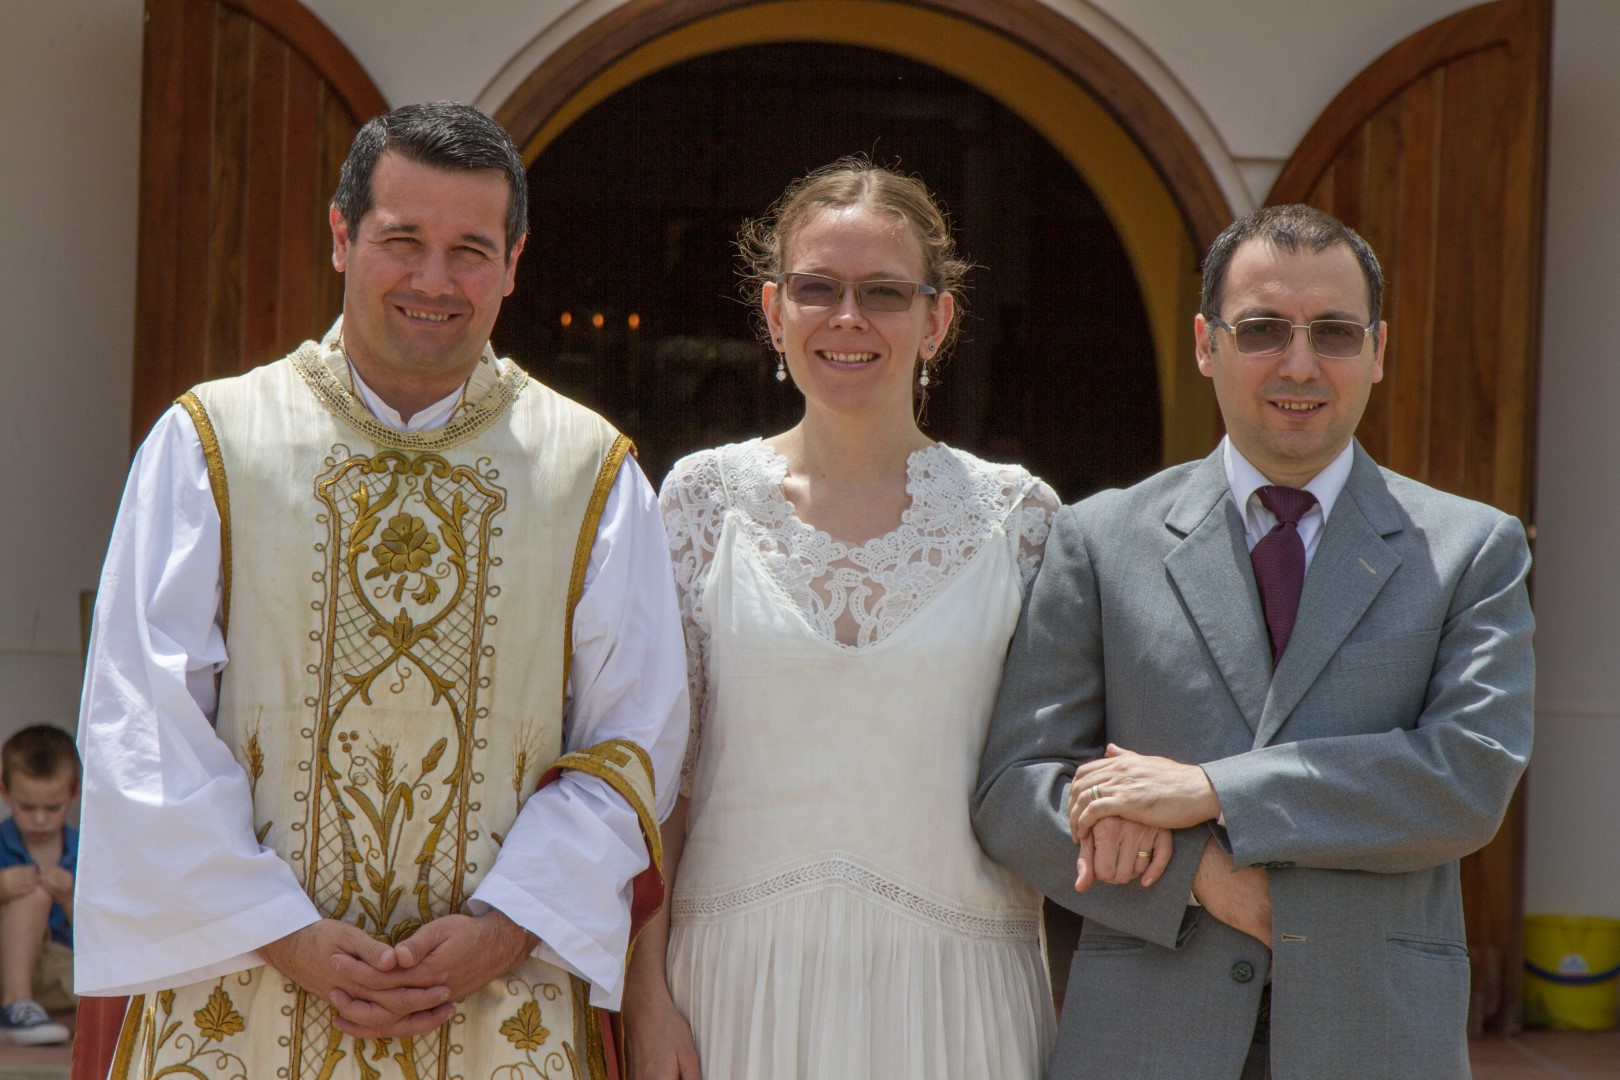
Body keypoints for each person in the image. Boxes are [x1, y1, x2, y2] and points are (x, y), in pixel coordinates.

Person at [73, 102, 688, 1080]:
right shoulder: (211, 444)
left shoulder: (594, 475)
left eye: (470, 250)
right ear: (340, 236)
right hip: (244, 993)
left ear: (515, 262)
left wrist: (509, 923)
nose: (434, 281)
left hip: (497, 1003)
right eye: (403, 240)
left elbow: (632, 740)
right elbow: (141, 724)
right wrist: (282, 932)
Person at [972, 203, 1534, 1080]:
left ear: (1379, 351)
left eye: (1336, 333)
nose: (1300, 364)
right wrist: (1191, 875)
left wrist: (1207, 791)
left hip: (1375, 1034)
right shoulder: (1100, 539)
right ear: (1206, 343)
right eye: (1265, 328)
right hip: (1149, 1037)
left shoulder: (1472, 549)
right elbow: (1015, 791)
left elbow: (1466, 781)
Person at [623, 158, 1059, 1079]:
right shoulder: (702, 500)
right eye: (818, 289)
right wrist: (646, 990)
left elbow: (1047, 778)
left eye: (885, 293)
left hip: (957, 990)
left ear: (937, 320)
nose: (848, 318)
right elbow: (659, 778)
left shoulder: (1018, 518)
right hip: (734, 983)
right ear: (775, 312)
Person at [0, 725, 79, 1044]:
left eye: (52, 808)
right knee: (32, 894)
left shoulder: (84, 851)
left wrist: (72, 898)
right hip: (6, 962)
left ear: (74, 795)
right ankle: (16, 1003)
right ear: (5, 794)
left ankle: (31, 1012)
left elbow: (100, 934)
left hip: (58, 970)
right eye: (27, 807)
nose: (40, 819)